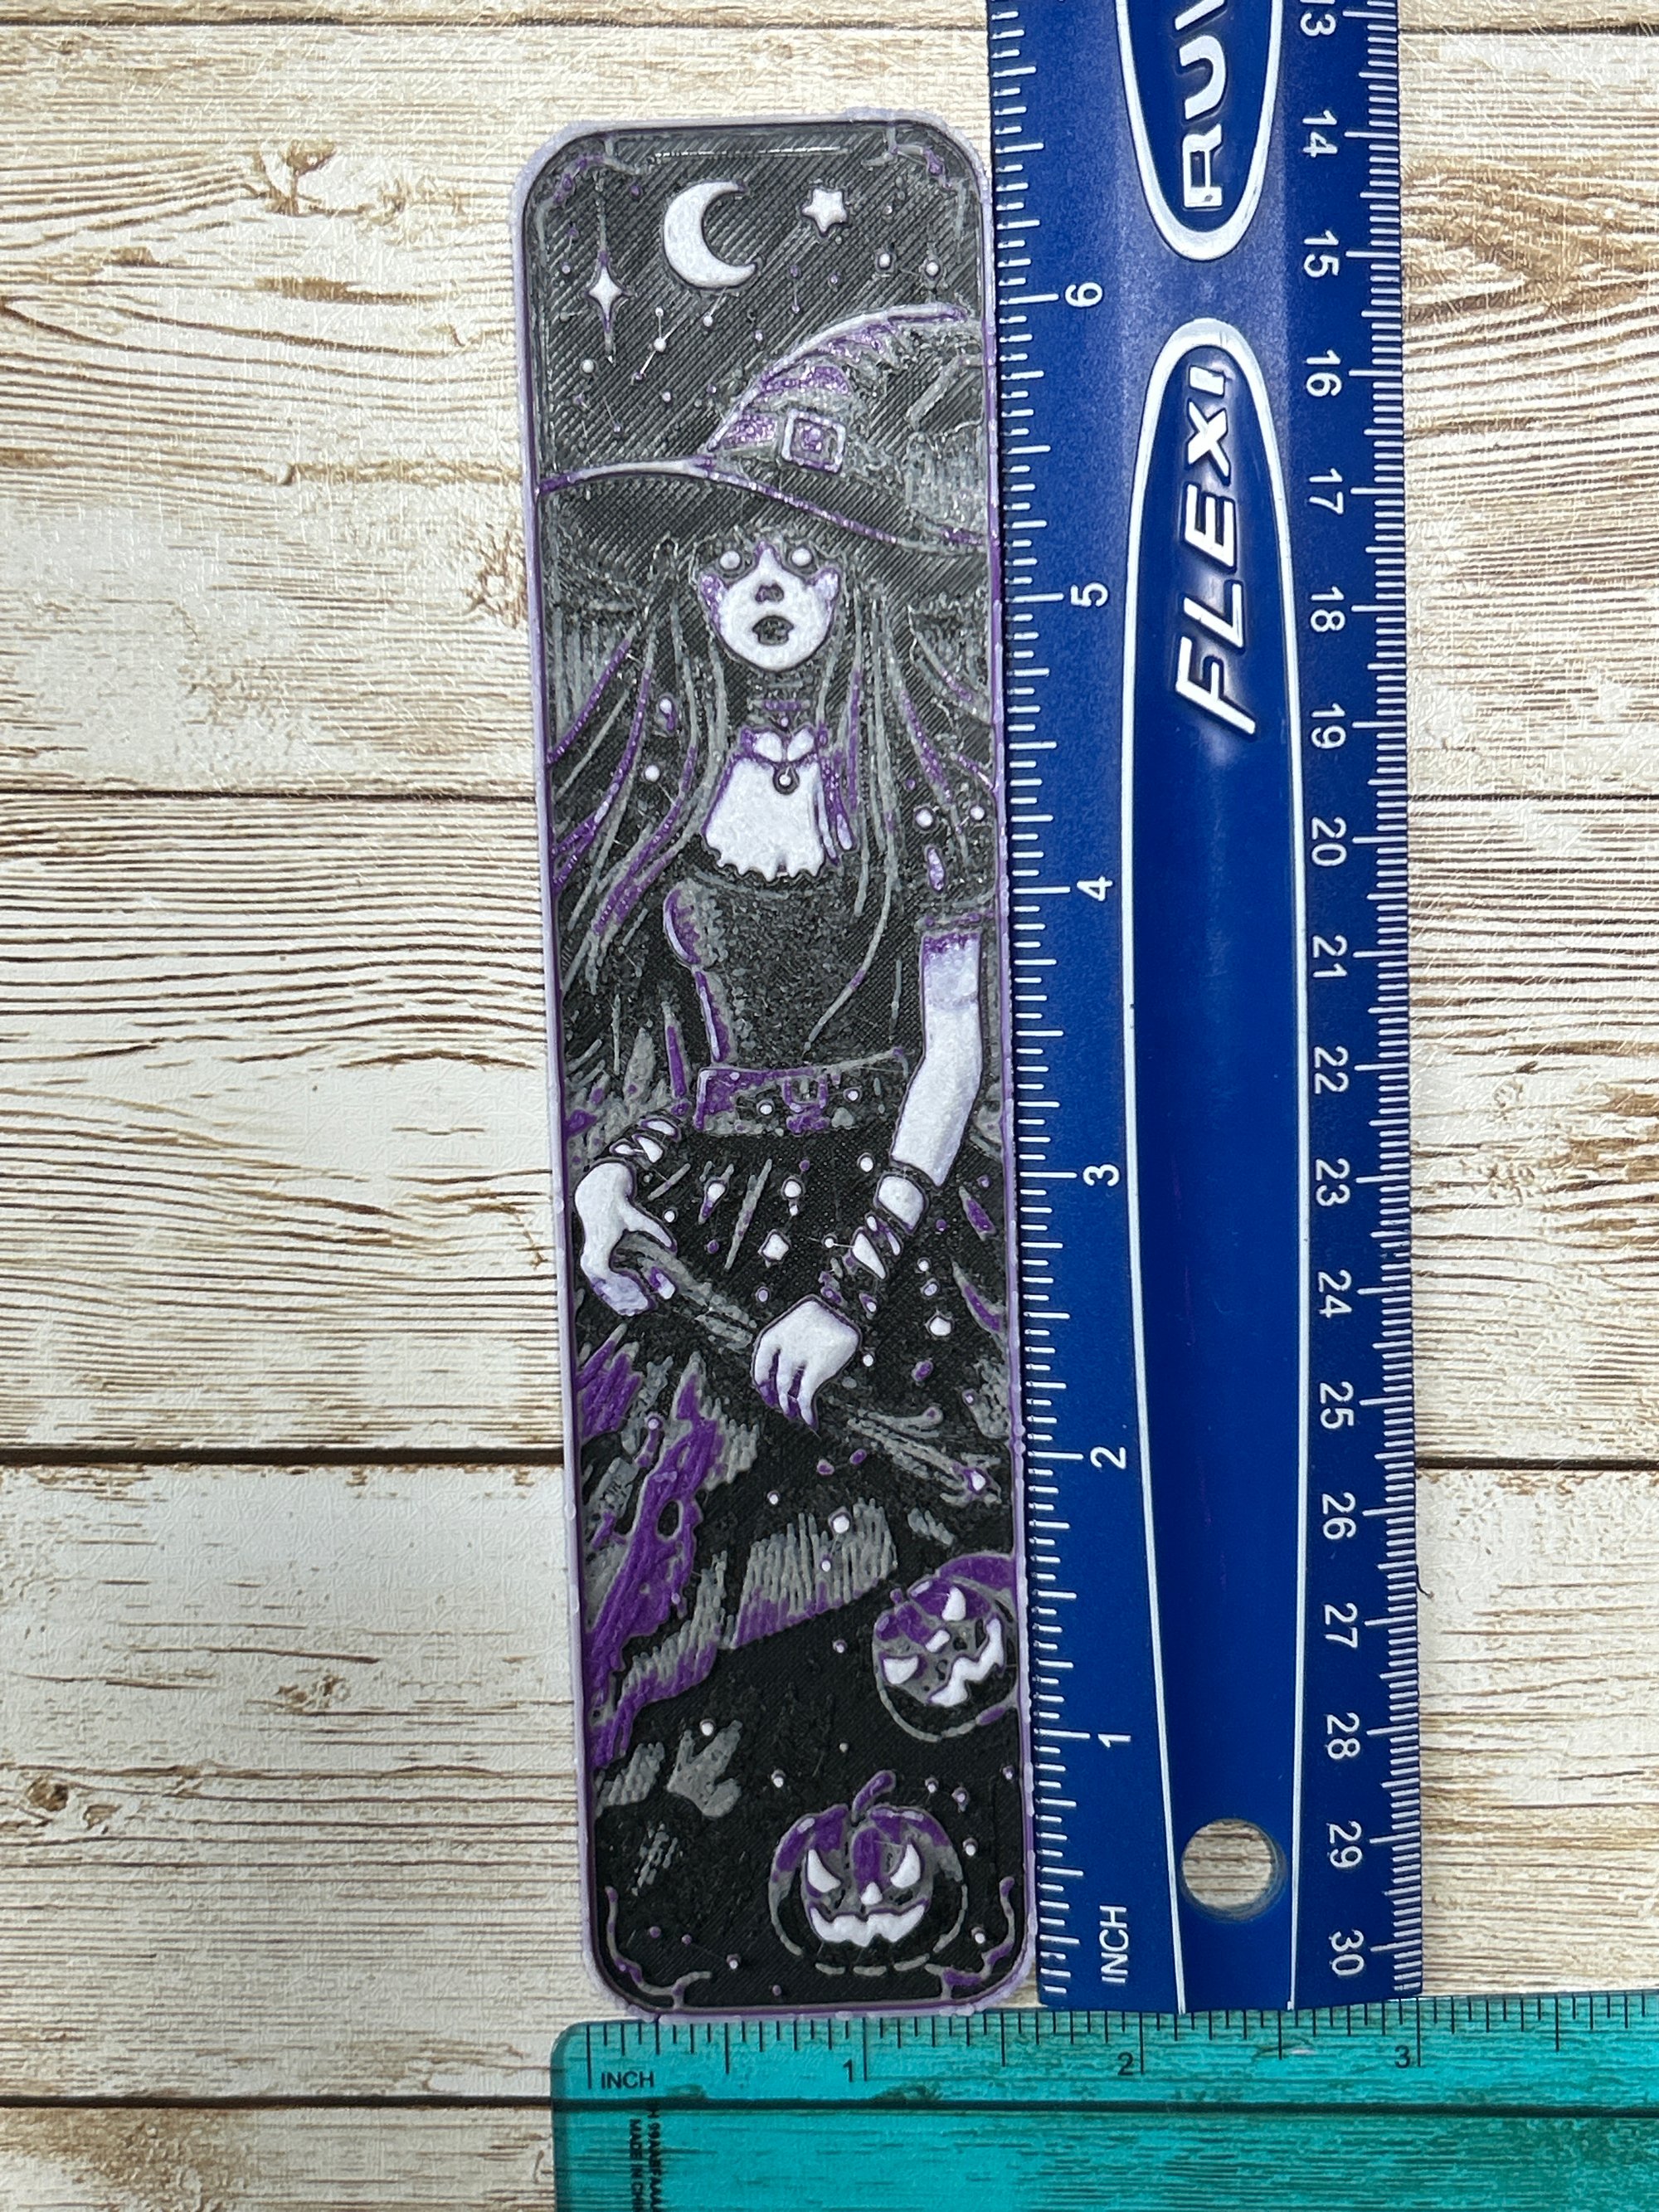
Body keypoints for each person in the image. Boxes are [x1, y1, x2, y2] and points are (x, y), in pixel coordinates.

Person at [540, 305, 1024, 2009]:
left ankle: (905, 1902)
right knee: (673, 1598)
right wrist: (612, 1172)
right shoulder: (667, 790)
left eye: (803, 560)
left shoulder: (920, 793)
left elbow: (954, 1056)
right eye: (736, 555)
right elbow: (683, 1062)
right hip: (699, 1235)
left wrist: (848, 1287)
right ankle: (699, 1920)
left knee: (877, 1577)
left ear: (854, 589)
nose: (766, 586)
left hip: (884, 1238)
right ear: (693, 583)